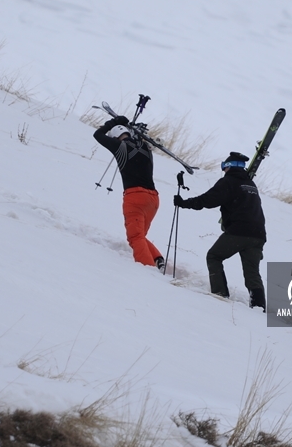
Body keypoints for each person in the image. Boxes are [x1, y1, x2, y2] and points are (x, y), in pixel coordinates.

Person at [174, 152, 267, 310]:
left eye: (224, 166)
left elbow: (208, 200)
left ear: (228, 166)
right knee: (252, 272)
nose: (223, 170)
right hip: (258, 234)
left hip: (239, 232)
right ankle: (259, 307)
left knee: (214, 256)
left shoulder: (229, 181)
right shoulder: (251, 184)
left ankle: (219, 295)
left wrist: (184, 203)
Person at [93, 115, 165, 271]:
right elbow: (137, 141)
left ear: (115, 137)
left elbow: (97, 135)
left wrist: (113, 122)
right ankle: (157, 259)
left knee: (135, 237)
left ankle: (148, 270)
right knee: (140, 235)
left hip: (135, 197)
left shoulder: (119, 147)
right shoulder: (146, 148)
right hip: (153, 199)